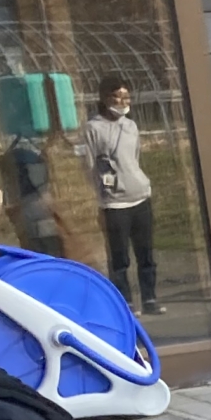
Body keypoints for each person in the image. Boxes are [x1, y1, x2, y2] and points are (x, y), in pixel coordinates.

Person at [81, 78, 162, 314]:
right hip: (114, 204)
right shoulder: (93, 128)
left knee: (146, 253)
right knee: (119, 258)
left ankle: (149, 298)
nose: (123, 102)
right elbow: (88, 165)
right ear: (105, 98)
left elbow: (134, 157)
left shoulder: (131, 126)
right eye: (117, 97)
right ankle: (125, 302)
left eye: (126, 97)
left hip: (140, 196)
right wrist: (102, 192)